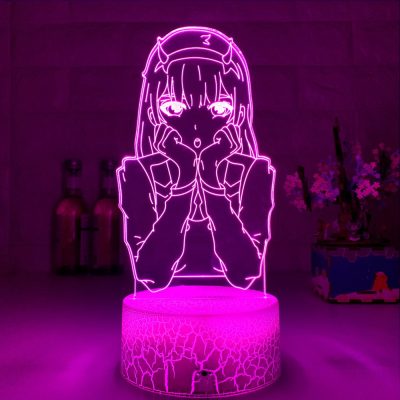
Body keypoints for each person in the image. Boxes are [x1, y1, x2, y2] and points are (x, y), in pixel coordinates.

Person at [117, 27, 276, 292]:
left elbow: (246, 272)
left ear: (239, 111)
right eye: (174, 108)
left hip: (234, 308)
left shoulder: (254, 171)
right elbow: (150, 274)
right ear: (152, 111)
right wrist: (185, 181)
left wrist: (211, 180)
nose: (196, 125)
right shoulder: (137, 172)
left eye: (219, 108)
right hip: (161, 309)